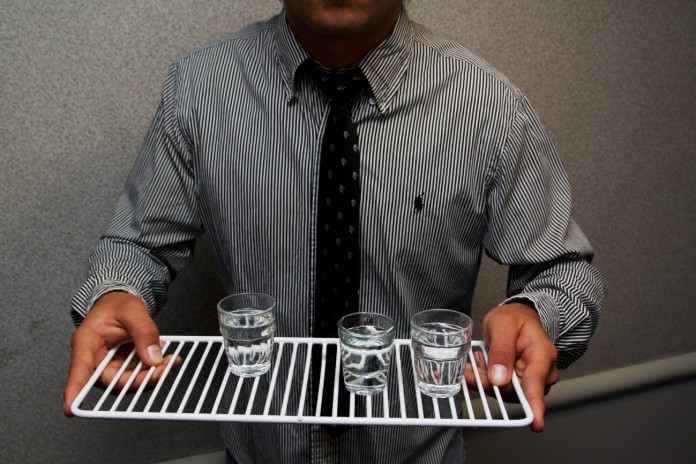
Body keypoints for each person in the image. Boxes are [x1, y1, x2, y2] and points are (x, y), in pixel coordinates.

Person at [63, 1, 604, 462]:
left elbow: (562, 272)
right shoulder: (197, 89)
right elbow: (140, 241)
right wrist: (116, 290)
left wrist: (536, 312)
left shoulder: (491, 107)